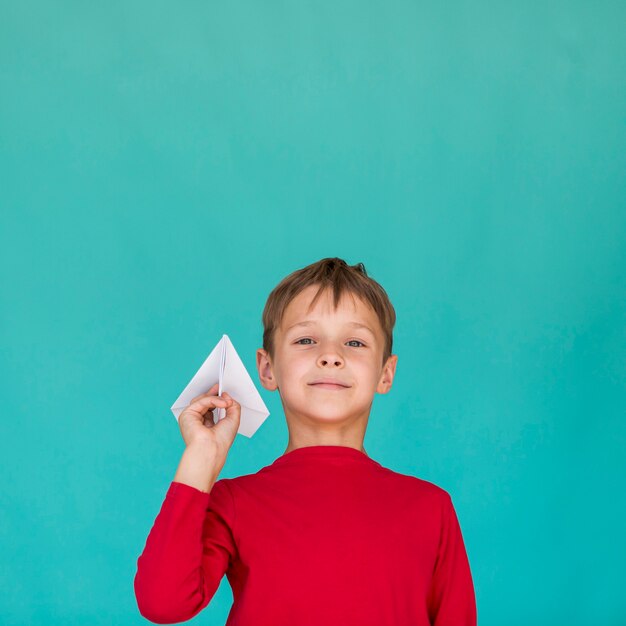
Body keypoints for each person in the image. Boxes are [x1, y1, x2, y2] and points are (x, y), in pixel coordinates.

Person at [134, 257, 477, 625]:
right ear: (267, 368)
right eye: (306, 339)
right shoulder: (233, 502)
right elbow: (163, 603)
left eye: (355, 342)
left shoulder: (431, 508)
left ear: (386, 373)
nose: (331, 356)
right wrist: (201, 457)